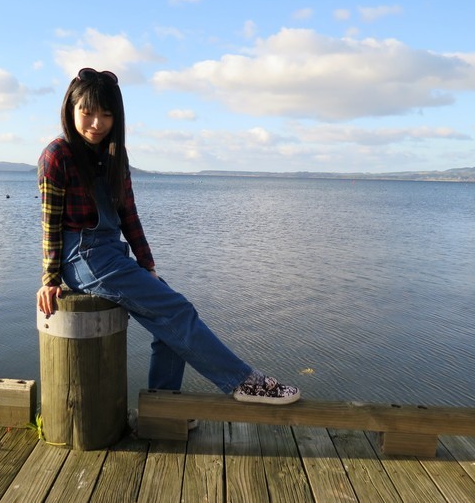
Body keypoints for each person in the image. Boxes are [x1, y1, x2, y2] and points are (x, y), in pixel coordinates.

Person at [37, 67, 300, 405]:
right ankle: (244, 382)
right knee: (178, 310)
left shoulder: (116, 155)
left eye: (107, 115)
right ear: (70, 108)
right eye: (87, 112)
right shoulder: (57, 155)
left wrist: (147, 265)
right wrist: (50, 278)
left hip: (111, 253)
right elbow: (50, 222)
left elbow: (128, 214)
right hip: (83, 258)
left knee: (171, 325)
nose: (96, 124)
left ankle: (162, 409)